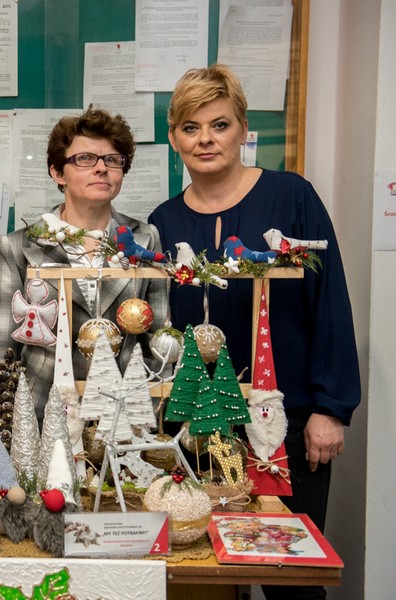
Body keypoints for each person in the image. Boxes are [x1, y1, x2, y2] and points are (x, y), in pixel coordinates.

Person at [148, 63, 360, 600]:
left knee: (289, 579)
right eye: (191, 128)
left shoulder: (292, 197)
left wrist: (331, 409)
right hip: (198, 422)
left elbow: (329, 303)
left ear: (243, 129)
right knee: (200, 575)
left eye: (219, 125)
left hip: (286, 421)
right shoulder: (163, 221)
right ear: (174, 138)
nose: (206, 139)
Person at [0, 106, 167, 420]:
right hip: (43, 415)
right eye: (85, 158)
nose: (101, 168)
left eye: (112, 159)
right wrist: (2, 431)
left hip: (123, 416)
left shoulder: (145, 239)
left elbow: (159, 344)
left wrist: (145, 414)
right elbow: (0, 359)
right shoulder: (16, 247)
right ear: (58, 173)